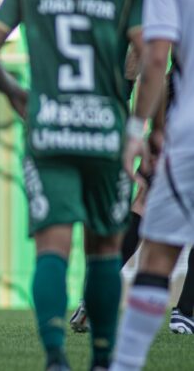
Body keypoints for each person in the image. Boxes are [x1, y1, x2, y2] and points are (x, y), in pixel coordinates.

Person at [0, 0, 148, 369]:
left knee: (52, 248)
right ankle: (103, 358)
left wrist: (17, 93)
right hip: (106, 133)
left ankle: (55, 357)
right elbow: (151, 57)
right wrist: (138, 126)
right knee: (104, 248)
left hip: (50, 130)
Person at [111, 0, 194, 368]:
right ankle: (186, 312)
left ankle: (125, 355)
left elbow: (151, 60)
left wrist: (140, 128)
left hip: (183, 129)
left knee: (156, 241)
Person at [70, 68, 194, 336]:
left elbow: (153, 67)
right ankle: (185, 312)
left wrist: (147, 125)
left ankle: (96, 294)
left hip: (176, 116)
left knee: (143, 203)